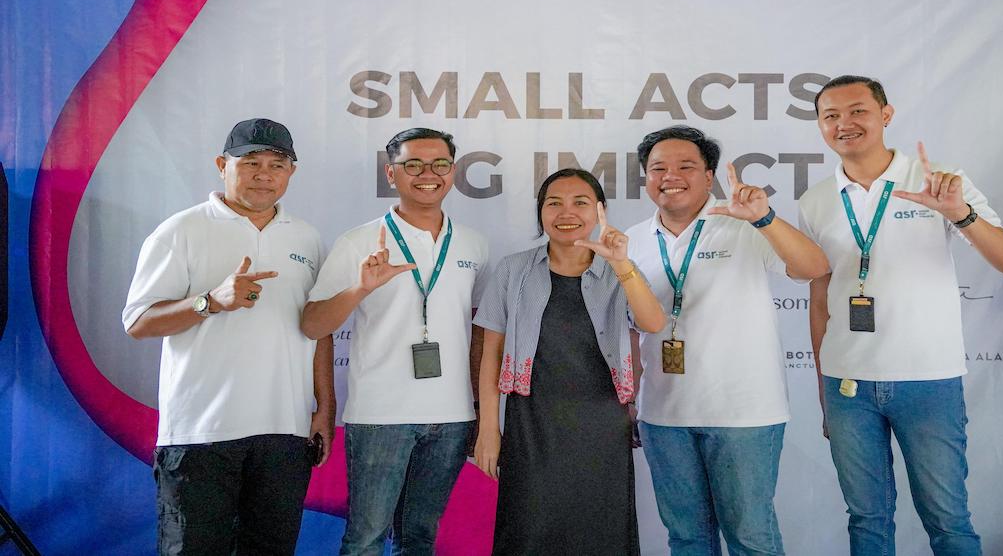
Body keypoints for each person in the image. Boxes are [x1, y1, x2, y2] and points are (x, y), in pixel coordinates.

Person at [799, 75, 1003, 556]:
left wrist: (960, 213)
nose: (844, 123)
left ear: (886, 115)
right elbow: (820, 299)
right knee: (867, 520)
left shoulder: (939, 181)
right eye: (831, 115)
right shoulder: (815, 200)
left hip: (928, 380)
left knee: (947, 520)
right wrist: (822, 389)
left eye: (857, 111)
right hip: (847, 385)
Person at [123, 118, 334, 556]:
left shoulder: (308, 238)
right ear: (222, 165)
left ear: (291, 172)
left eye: (277, 164)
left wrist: (324, 409)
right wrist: (209, 302)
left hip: (285, 431)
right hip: (200, 432)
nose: (264, 174)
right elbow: (139, 321)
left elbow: (318, 327)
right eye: (250, 162)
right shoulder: (181, 230)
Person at [625, 125, 828, 555]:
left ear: (709, 175)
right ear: (646, 177)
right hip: (664, 415)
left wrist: (763, 218)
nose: (670, 176)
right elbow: (631, 329)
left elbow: (814, 267)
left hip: (743, 414)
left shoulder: (745, 225)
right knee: (687, 538)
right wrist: (631, 398)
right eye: (658, 168)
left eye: (685, 166)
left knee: (750, 537)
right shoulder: (632, 240)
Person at [302, 127, 488, 556]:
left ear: (453, 171)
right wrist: (360, 289)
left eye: (440, 164)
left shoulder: (474, 244)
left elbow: (480, 330)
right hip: (380, 415)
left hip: (452, 416)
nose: (428, 174)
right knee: (365, 539)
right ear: (391, 173)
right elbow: (313, 325)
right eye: (413, 165)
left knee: (419, 539)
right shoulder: (359, 241)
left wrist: (479, 407)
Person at [473, 168, 667, 555]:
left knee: (600, 532)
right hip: (531, 424)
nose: (567, 212)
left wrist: (621, 264)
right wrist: (488, 430)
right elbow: (491, 354)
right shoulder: (513, 269)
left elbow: (652, 323)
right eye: (554, 203)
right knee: (528, 530)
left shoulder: (620, 269)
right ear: (541, 212)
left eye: (580, 202)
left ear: (599, 210)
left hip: (601, 424)